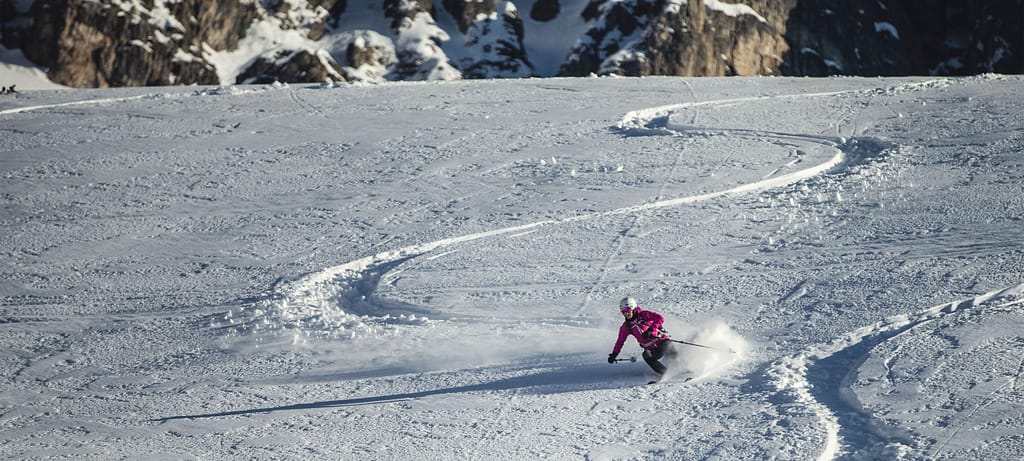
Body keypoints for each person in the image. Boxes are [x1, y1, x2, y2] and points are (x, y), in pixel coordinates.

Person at [607, 297, 676, 375]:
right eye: (622, 311)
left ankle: (683, 369)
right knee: (646, 355)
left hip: (662, 341)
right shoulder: (626, 327)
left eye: (627, 310)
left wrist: (650, 330)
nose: (625, 313)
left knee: (671, 354)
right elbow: (620, 341)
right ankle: (666, 374)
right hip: (652, 349)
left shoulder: (644, 315)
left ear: (633, 308)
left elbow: (660, 318)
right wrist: (614, 354)